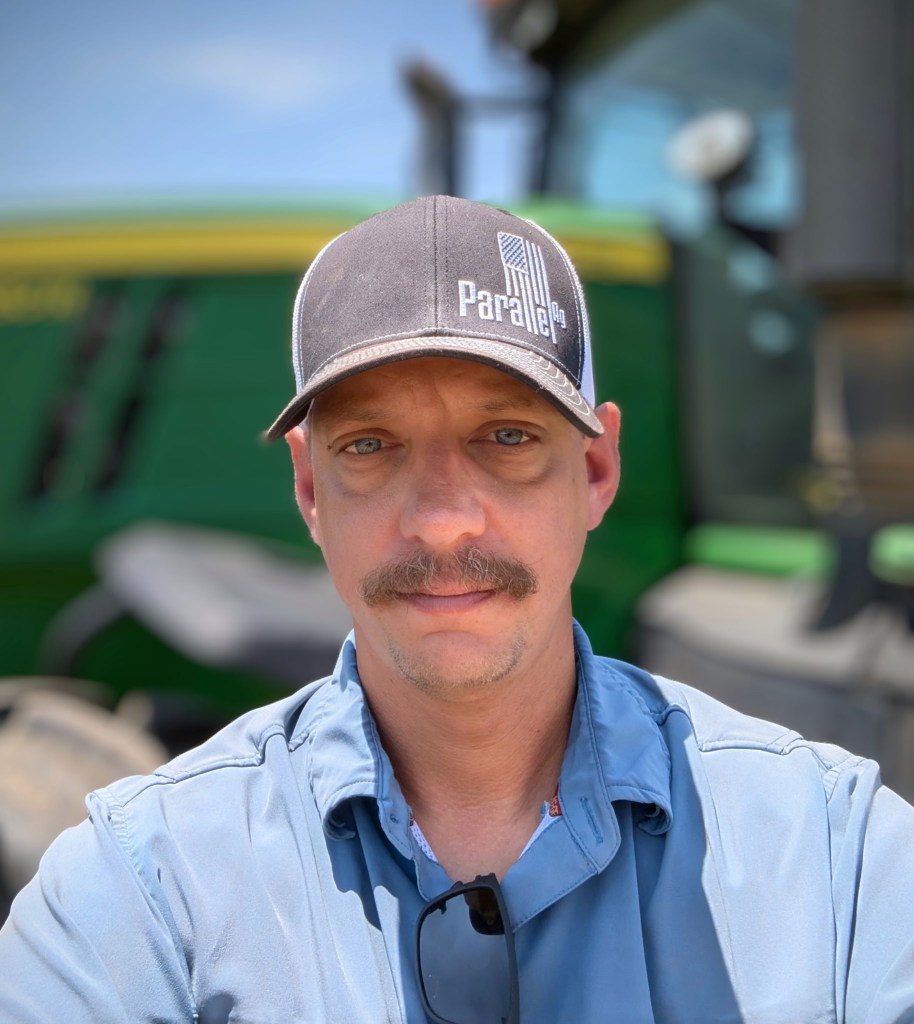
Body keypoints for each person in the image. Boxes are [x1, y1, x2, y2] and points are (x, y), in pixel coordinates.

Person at [1, 195, 913, 1024]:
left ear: (597, 469)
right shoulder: (144, 893)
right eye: (371, 445)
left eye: (507, 436)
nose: (441, 521)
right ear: (310, 489)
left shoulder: (838, 860)